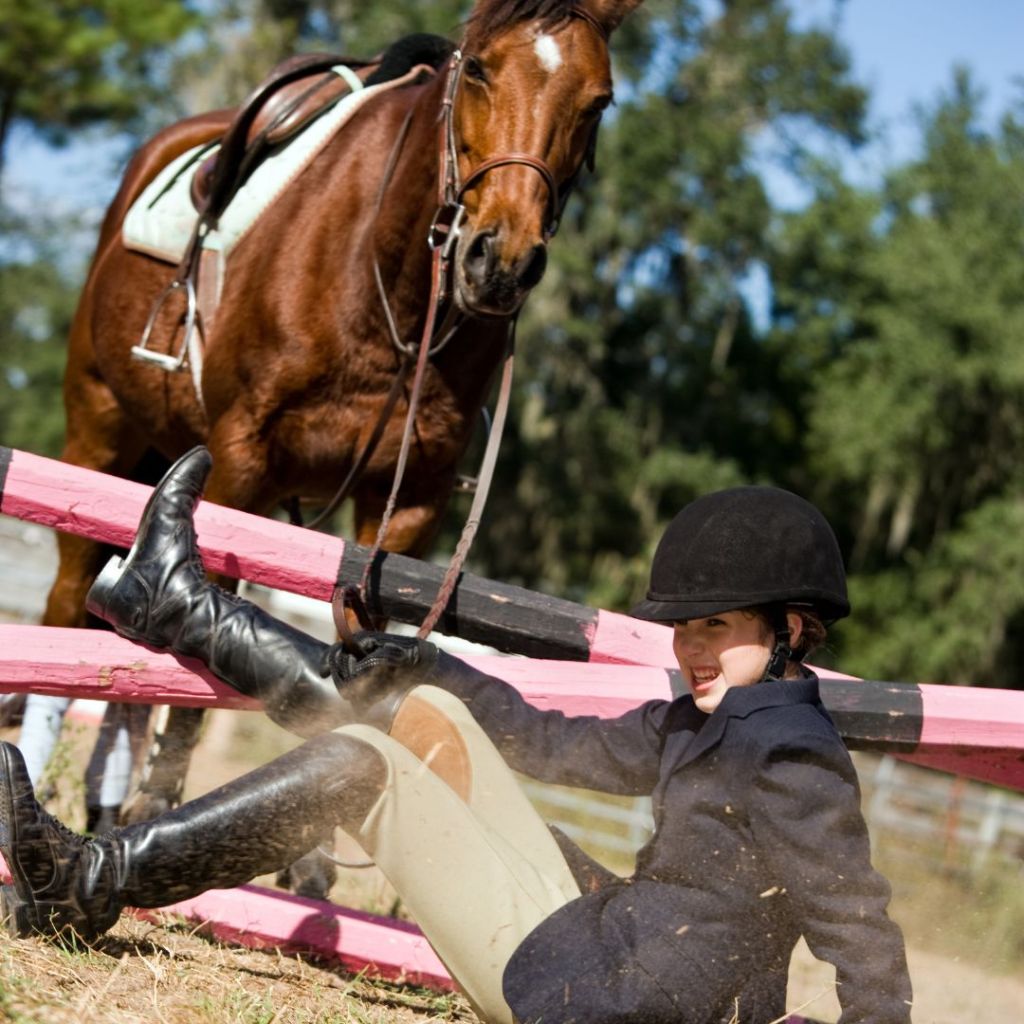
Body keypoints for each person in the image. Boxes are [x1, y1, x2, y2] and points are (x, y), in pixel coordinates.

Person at [0, 448, 913, 1024]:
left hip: (602, 1000)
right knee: (421, 716)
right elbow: (545, 739)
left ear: (792, 630)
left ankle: (91, 878)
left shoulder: (790, 753)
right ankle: (178, 608)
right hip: (604, 939)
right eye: (685, 629)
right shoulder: (705, 718)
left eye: (717, 627)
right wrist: (430, 664)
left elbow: (858, 925)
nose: (692, 650)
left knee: (364, 765)